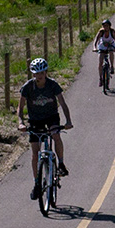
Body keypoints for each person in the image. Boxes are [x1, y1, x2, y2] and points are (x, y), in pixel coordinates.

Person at [18, 57, 72, 190]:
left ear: (45, 73)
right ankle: (36, 182)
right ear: (33, 74)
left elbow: (62, 103)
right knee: (35, 153)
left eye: (41, 73)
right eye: (36, 73)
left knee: (56, 135)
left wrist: (68, 121)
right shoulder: (28, 87)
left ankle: (61, 163)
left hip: (51, 117)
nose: (39, 76)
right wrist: (21, 123)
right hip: (35, 119)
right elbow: (20, 107)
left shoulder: (52, 85)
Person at [94, 18, 115, 88]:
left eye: (107, 26)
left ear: (109, 26)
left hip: (110, 45)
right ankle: (100, 79)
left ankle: (112, 67)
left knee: (111, 52)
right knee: (100, 63)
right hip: (102, 46)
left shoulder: (112, 31)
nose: (105, 27)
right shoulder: (101, 32)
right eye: (104, 26)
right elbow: (96, 40)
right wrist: (95, 48)